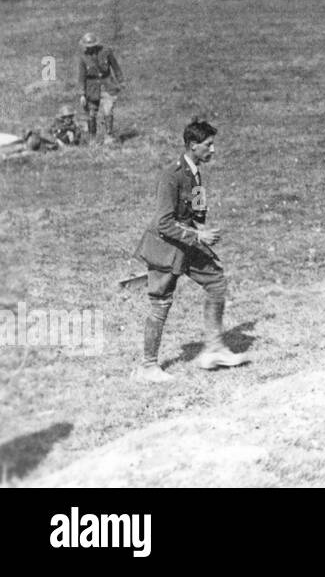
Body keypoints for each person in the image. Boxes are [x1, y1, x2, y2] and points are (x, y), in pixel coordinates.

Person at [130, 120, 248, 382]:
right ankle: (147, 368)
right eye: (209, 145)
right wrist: (198, 234)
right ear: (193, 146)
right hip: (165, 248)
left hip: (188, 245)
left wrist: (205, 230)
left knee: (216, 282)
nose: (213, 149)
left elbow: (198, 211)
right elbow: (163, 223)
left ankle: (214, 349)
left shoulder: (196, 175)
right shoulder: (171, 176)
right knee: (161, 303)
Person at [77, 32, 123, 141]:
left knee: (108, 111)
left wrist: (121, 81)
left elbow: (115, 67)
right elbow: (81, 76)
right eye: (87, 47)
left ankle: (109, 136)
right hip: (91, 89)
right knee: (91, 114)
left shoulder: (106, 52)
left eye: (92, 46)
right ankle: (92, 138)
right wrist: (82, 94)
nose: (90, 49)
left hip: (107, 85)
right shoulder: (83, 57)